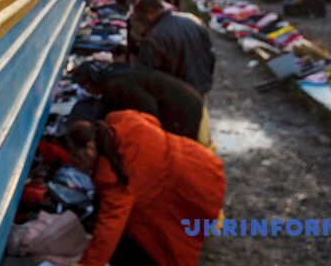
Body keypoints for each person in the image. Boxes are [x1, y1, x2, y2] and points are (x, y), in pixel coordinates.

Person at [66, 111, 225, 266]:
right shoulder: (122, 119)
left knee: (163, 242)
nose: (82, 166)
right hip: (200, 164)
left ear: (89, 149)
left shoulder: (112, 177)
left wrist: (89, 263)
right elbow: (152, 121)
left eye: (80, 159)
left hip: (185, 193)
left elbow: (110, 226)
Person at [70, 61, 206, 142]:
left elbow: (149, 112)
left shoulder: (117, 85)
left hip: (184, 110)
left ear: (91, 81)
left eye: (84, 86)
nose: (86, 91)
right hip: (187, 100)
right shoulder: (115, 74)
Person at [134, 0, 215, 96]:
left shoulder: (154, 36)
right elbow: (211, 55)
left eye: (141, 19)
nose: (142, 23)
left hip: (178, 94)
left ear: (150, 14)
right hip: (201, 86)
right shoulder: (191, 22)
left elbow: (148, 76)